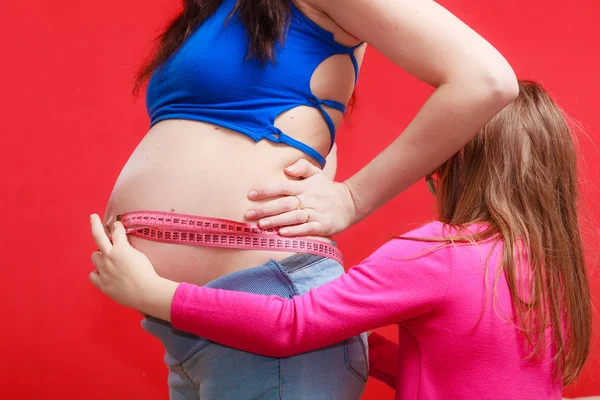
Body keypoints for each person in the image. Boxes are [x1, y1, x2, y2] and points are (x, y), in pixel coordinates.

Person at [100, 0, 517, 398]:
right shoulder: (218, 11)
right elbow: (305, 120)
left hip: (269, 316)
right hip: (193, 328)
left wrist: (352, 198)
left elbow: (485, 79)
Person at [90, 81, 591, 399]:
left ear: (457, 163)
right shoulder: (550, 266)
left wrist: (156, 295)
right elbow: (463, 372)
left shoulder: (442, 255)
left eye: (433, 164)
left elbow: (291, 324)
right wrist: (356, 335)